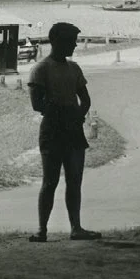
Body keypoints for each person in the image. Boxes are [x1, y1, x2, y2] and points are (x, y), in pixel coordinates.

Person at [27, 22, 100, 242]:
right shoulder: (41, 69)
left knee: (74, 180)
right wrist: (63, 113)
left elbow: (85, 100)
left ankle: (76, 227)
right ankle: (42, 229)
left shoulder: (74, 68)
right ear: (57, 41)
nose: (75, 45)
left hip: (72, 130)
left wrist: (76, 116)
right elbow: (37, 104)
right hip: (52, 130)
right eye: (71, 41)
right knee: (50, 181)